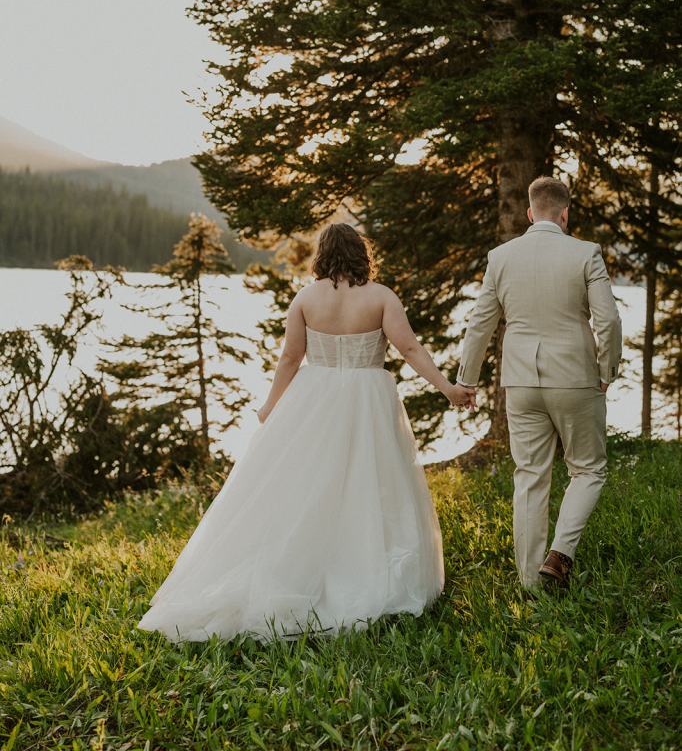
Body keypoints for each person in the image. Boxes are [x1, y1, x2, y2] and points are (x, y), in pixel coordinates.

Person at [137, 222, 473, 643]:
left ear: (322, 254)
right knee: (370, 486)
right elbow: (409, 350)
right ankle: (364, 569)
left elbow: (291, 359)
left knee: (307, 486)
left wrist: (271, 407)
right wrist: (447, 389)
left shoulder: (305, 298)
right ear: (361, 253)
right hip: (368, 396)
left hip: (315, 398)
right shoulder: (381, 296)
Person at [456, 176, 622, 590]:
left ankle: (530, 583)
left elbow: (480, 324)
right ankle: (560, 554)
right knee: (588, 470)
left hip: (521, 382)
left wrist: (468, 379)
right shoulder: (586, 253)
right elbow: (609, 320)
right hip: (575, 378)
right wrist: (607, 371)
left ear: (531, 213)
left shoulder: (501, 257)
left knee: (530, 475)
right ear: (565, 214)